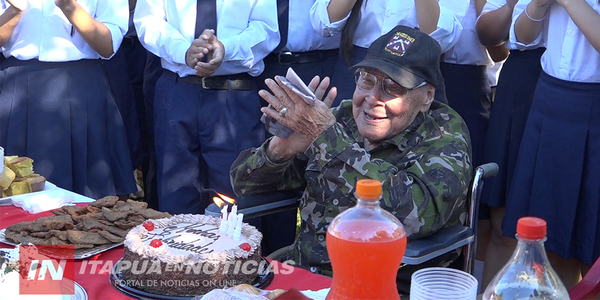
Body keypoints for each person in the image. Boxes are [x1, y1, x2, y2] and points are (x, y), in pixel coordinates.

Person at [230, 25, 472, 295]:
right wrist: (280, 149)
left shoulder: (444, 134)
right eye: (367, 80)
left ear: (427, 96)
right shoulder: (342, 117)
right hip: (302, 274)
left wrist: (326, 137)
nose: (373, 98)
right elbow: (245, 185)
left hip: (382, 288)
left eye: (393, 88)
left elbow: (416, 214)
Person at [134, 0, 279, 214]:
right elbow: (148, 20)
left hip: (232, 96)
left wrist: (225, 49)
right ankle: (178, 246)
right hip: (178, 91)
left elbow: (266, 29)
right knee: (176, 196)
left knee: (235, 197)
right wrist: (184, 51)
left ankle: (233, 248)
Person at [502, 0, 600, 289]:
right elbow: (522, 37)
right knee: (549, 241)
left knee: (591, 245)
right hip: (550, 99)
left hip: (595, 108)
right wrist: (539, 4)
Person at [0, 0, 137, 199]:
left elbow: (108, 46)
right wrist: (15, 9)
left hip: (81, 89)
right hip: (17, 89)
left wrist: (68, 5)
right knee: (11, 188)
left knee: (89, 201)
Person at [475, 0, 545, 289]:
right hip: (521, 80)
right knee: (504, 225)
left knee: (561, 237)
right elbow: (490, 36)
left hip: (585, 92)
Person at [310, 0, 468, 105]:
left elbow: (441, 37)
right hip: (356, 68)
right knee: (341, 145)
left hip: (413, 70)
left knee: (413, 149)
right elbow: (324, 22)